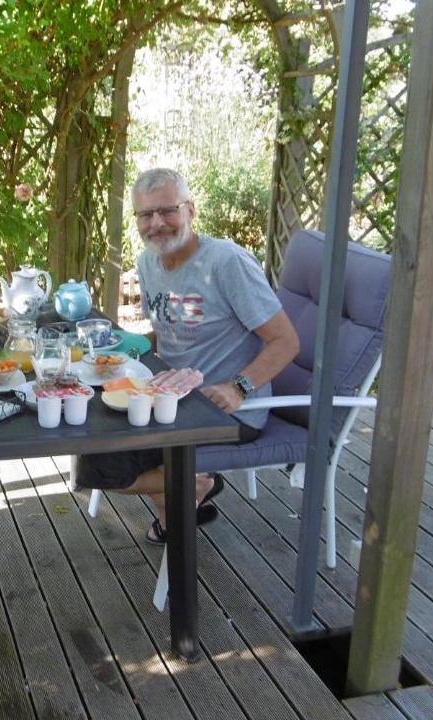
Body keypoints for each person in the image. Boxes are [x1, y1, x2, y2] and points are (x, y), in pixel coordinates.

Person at [73, 167, 299, 544]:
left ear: (191, 210)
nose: (156, 223)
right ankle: (184, 496)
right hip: (169, 398)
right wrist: (114, 352)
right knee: (91, 449)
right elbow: (169, 331)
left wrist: (239, 387)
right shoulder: (149, 262)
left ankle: (191, 490)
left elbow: (286, 341)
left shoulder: (227, 263)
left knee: (101, 468)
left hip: (222, 412)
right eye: (146, 215)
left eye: (167, 211)